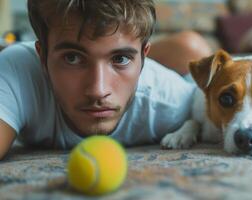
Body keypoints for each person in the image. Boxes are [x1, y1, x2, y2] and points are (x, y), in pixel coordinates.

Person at [0, 0, 212, 160]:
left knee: (192, 48)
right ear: (43, 57)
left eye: (120, 58)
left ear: (143, 58)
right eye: (72, 58)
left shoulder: (171, 102)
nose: (98, 90)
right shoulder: (16, 70)